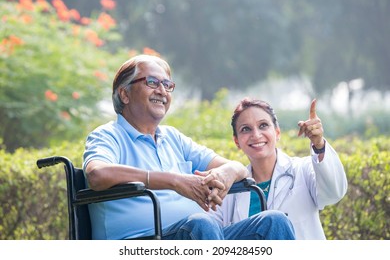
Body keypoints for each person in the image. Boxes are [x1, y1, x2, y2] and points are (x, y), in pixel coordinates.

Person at [82, 54, 296, 240]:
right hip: (145, 243)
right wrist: (174, 181)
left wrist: (225, 174)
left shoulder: (173, 138)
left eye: (167, 85)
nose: (162, 91)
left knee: (274, 222)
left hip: (200, 236)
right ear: (124, 94)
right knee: (202, 224)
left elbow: (237, 167)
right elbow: (97, 174)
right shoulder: (108, 135)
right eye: (152, 82)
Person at [208, 97, 348, 240]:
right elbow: (212, 236)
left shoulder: (302, 170)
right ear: (237, 141)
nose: (256, 135)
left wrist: (318, 144)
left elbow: (334, 193)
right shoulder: (230, 188)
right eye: (246, 129)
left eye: (263, 125)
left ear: (277, 132)